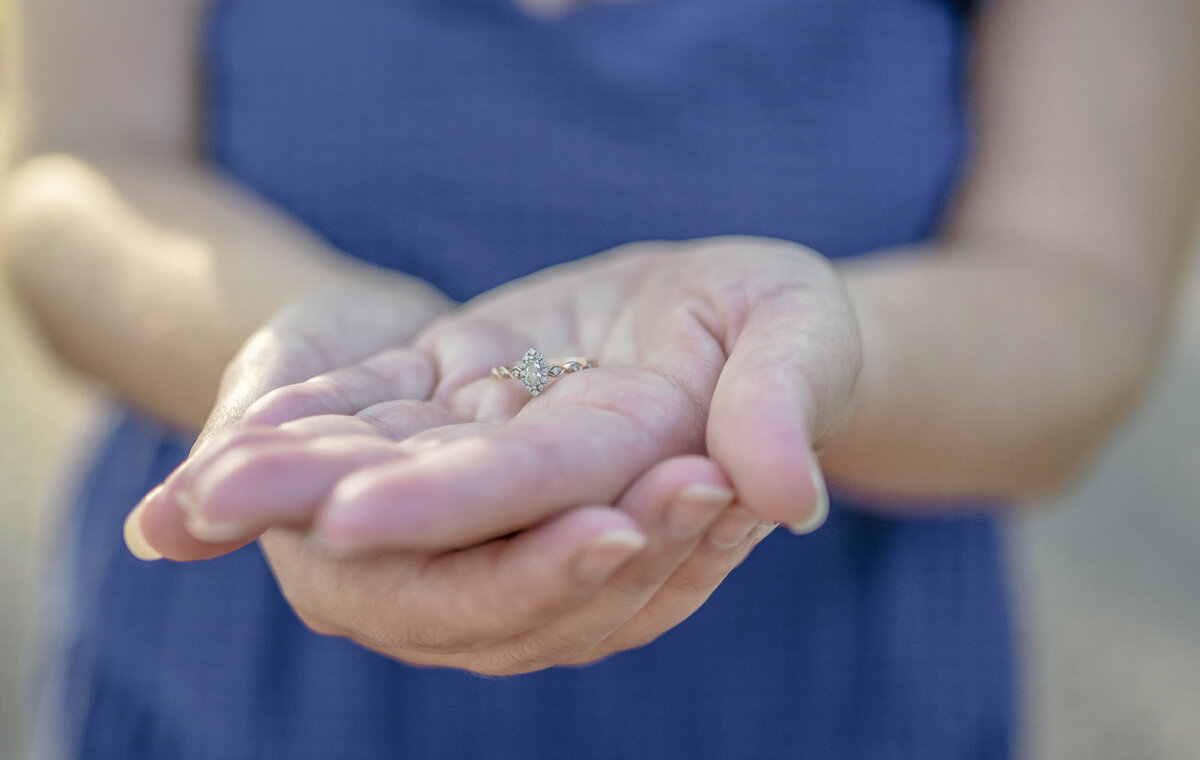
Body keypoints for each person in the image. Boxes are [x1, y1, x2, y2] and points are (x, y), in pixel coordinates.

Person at [2, 0, 1197, 757]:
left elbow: (1081, 296)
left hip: (819, 697)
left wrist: (818, 348)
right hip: (231, 699)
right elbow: (75, 170)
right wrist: (309, 350)